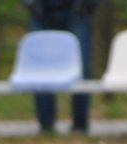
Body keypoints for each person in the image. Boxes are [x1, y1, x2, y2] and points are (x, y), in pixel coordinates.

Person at [22, 0, 98, 134]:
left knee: (81, 68)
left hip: (77, 11)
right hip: (41, 11)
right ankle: (46, 126)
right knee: (40, 68)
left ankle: (80, 126)